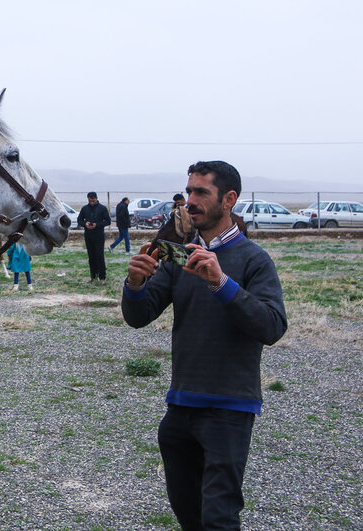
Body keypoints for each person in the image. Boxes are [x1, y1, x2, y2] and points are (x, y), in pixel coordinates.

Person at [121, 161, 287, 530]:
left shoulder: (254, 260)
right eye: (189, 191)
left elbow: (272, 326)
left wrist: (221, 281)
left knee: (219, 517)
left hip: (229, 410)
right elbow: (139, 316)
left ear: (229, 199)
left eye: (201, 193)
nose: (190, 201)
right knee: (188, 513)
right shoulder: (178, 256)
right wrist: (134, 285)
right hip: (180, 407)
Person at [77, 191, 111, 282]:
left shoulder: (102, 208)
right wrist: (85, 224)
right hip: (88, 235)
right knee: (91, 256)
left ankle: (102, 277)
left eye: (93, 201)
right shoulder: (85, 209)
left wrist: (97, 224)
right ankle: (93, 276)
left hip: (99, 235)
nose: (92, 203)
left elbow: (108, 221)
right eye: (90, 201)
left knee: (99, 255)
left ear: (96, 198)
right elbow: (79, 220)